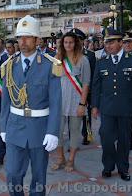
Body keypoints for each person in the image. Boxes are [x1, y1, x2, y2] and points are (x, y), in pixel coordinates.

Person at [0, 15, 62, 196]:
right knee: (12, 173)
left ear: (37, 40)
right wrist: (3, 127)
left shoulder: (50, 66)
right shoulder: (9, 66)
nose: (23, 41)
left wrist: (53, 131)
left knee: (39, 176)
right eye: (20, 37)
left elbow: (56, 102)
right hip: (15, 126)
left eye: (28, 37)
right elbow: (5, 101)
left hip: (39, 128)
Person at [91, 28, 132, 181]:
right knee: (106, 138)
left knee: (124, 141)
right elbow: (96, 86)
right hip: (108, 109)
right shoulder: (101, 62)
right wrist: (95, 106)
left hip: (127, 109)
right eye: (106, 42)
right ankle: (108, 166)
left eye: (111, 42)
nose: (108, 45)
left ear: (120, 43)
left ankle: (123, 168)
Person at [51, 32, 90, 172]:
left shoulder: (83, 60)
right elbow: (53, 80)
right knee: (58, 132)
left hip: (76, 102)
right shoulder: (57, 59)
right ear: (62, 43)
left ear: (76, 43)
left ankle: (71, 160)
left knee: (74, 132)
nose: (68, 44)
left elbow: (86, 84)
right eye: (66, 42)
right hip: (59, 102)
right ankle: (60, 158)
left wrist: (82, 104)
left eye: (71, 42)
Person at [70, 28, 96, 145]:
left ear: (83, 41)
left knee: (86, 114)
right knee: (71, 115)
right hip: (72, 91)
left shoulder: (90, 55)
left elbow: (94, 74)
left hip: (86, 90)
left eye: (79, 39)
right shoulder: (67, 55)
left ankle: (86, 134)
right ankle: (72, 138)